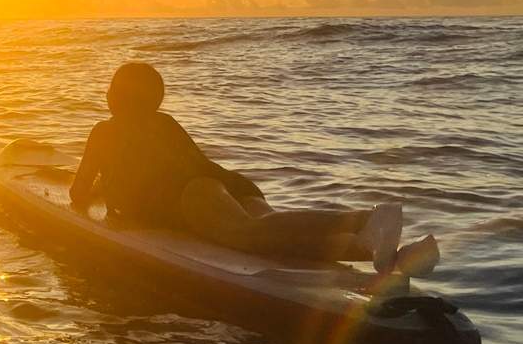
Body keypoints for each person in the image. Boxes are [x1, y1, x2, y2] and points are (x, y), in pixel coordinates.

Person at [69, 62, 439, 276]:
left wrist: (98, 192)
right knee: (274, 237)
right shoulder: (163, 123)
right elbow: (195, 165)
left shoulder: (104, 131)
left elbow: (77, 192)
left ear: (116, 96)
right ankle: (391, 254)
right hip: (220, 187)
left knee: (249, 235)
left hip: (193, 199)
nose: (107, 93)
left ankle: (366, 219)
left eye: (111, 88)